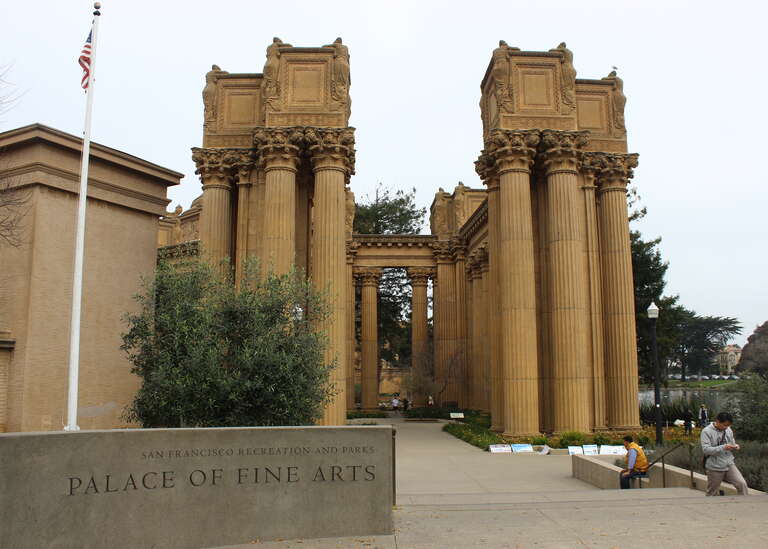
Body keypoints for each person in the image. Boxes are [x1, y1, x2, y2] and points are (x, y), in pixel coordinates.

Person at [701, 411, 749, 496]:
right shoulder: (706, 431)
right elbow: (706, 450)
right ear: (717, 421)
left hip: (729, 463)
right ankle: (710, 507)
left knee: (742, 484)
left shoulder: (728, 430)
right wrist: (723, 447)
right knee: (712, 492)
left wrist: (735, 446)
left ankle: (744, 505)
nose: (726, 427)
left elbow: (731, 442)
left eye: (728, 425)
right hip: (714, 466)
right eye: (725, 425)